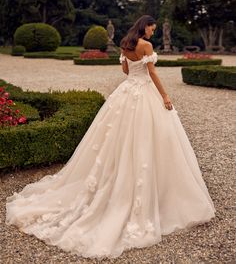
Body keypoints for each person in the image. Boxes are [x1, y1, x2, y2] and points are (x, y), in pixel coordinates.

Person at [5, 15, 216, 260]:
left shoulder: (126, 43)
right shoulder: (145, 46)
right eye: (152, 27)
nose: (153, 32)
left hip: (126, 93)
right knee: (148, 140)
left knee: (115, 139)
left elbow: (126, 71)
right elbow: (152, 74)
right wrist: (166, 96)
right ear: (144, 26)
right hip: (144, 92)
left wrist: (134, 72)